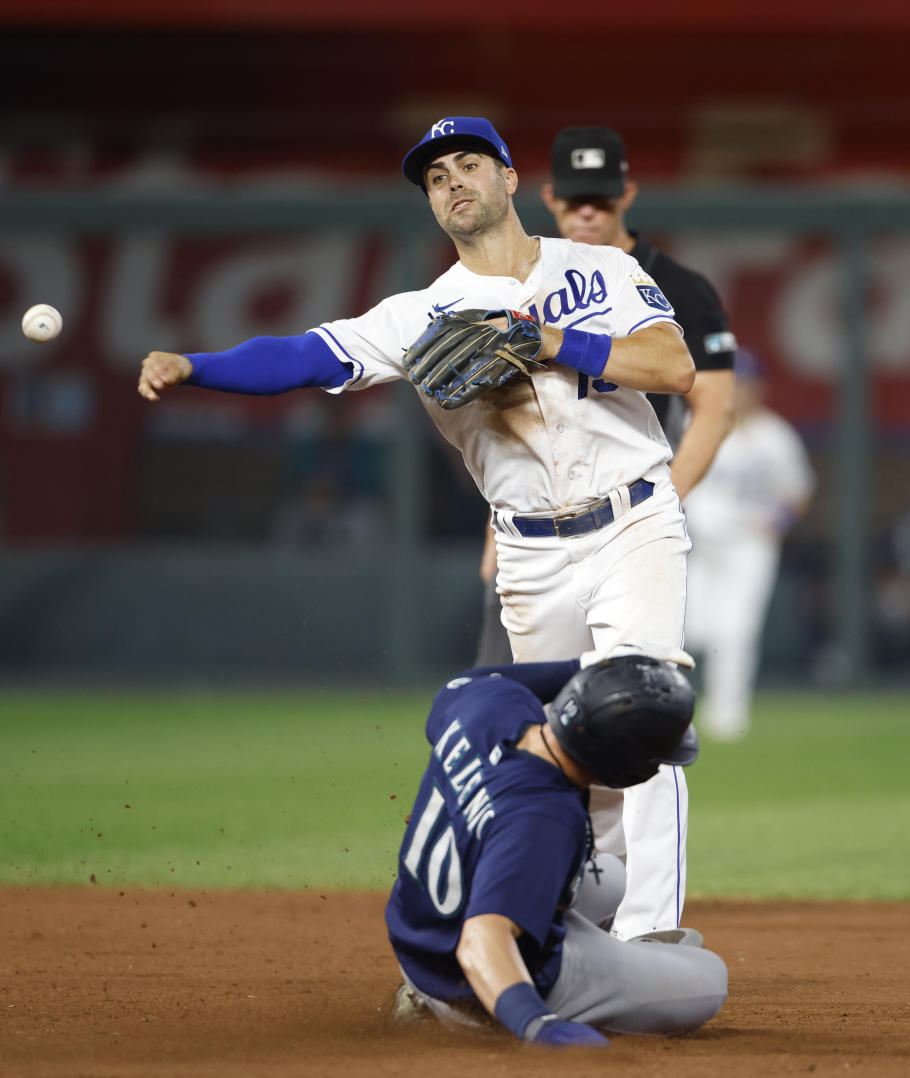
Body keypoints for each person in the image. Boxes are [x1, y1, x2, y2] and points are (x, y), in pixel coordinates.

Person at [137, 115, 694, 940]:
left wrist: (548, 340)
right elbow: (306, 354)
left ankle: (651, 932)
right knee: (563, 741)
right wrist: (199, 368)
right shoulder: (420, 315)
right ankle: (568, 918)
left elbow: (671, 365)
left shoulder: (600, 268)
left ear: (509, 178)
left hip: (634, 521)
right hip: (532, 552)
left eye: (470, 164)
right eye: (437, 178)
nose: (454, 182)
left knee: (641, 705)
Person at [476, 125, 736, 666]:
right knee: (513, 708)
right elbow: (516, 418)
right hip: (534, 529)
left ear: (626, 196)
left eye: (600, 197)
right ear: (550, 199)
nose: (587, 212)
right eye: (575, 199)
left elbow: (714, 411)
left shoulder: (678, 287)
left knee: (632, 706)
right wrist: (499, 520)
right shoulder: (523, 284)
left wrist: (658, 509)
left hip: (630, 515)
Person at [386, 652, 728, 1045]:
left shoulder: (489, 706)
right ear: (625, 764)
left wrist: (596, 669)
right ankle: (464, 1011)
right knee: (707, 977)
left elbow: (468, 680)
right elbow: (482, 938)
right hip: (469, 982)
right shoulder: (545, 818)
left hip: (421, 934)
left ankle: (425, 990)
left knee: (610, 878)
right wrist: (537, 1024)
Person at [683, 349, 816, 740]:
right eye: (733, 383)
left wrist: (777, 522)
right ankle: (674, 705)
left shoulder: (774, 436)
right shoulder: (697, 423)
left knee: (735, 630)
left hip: (747, 545)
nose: (738, 391)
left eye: (745, 384)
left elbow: (798, 491)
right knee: (690, 629)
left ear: (758, 388)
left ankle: (728, 713)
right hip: (700, 543)